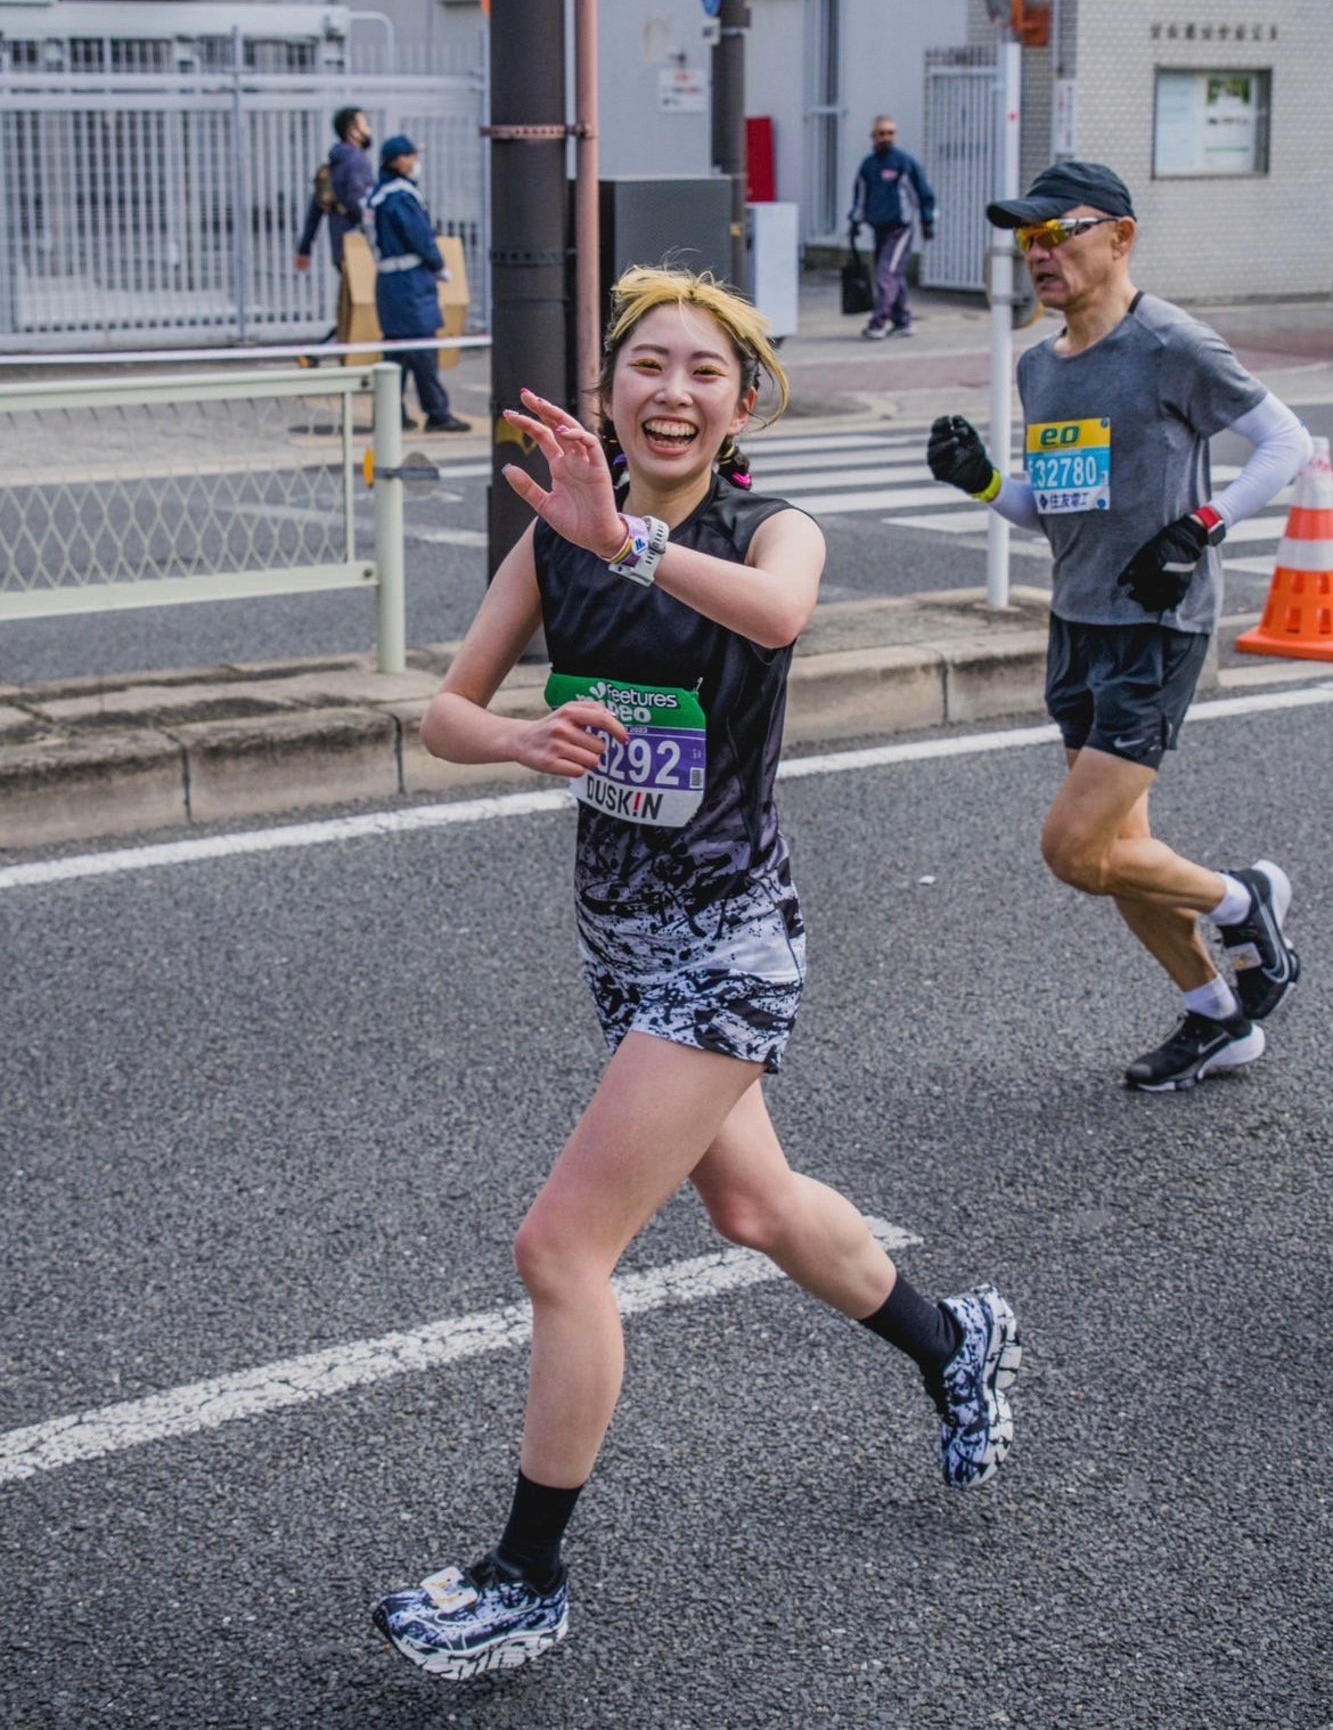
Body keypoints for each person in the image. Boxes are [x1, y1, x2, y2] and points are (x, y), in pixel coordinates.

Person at [371, 266, 1021, 1682]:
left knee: (560, 1251)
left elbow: (778, 617)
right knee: (752, 1204)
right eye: (645, 366)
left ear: (742, 405)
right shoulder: (550, 547)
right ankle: (949, 1338)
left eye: (704, 372)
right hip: (618, 940)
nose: (671, 391)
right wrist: (524, 742)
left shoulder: (767, 528)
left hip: (730, 940)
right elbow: (442, 714)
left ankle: (527, 1577)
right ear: (607, 393)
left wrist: (636, 545)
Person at [927, 161, 1313, 1092]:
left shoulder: (1169, 343)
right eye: (1028, 239)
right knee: (1118, 857)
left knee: (1074, 849)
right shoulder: (1036, 365)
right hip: (1076, 624)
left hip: (1155, 623)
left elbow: (1288, 443)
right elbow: (1051, 506)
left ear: (1120, 238)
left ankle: (1241, 899)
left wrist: (1200, 527)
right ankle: (1218, 1015)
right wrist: (979, 480)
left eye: (1058, 233)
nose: (1039, 254)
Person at [364, 134, 470, 433]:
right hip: (411, 284)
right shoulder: (401, 196)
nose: (416, 162)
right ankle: (437, 413)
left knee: (395, 352)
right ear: (398, 161)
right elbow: (420, 236)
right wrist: (438, 265)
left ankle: (389, 414)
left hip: (389, 283)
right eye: (412, 156)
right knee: (423, 350)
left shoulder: (380, 194)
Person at [848, 115, 937, 340]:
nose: (886, 137)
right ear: (873, 136)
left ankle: (877, 322)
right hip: (879, 229)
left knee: (885, 274)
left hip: (901, 229)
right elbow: (860, 197)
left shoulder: (905, 163)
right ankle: (903, 320)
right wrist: (854, 222)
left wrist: (928, 221)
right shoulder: (868, 166)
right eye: (881, 133)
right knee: (894, 276)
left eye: (890, 133)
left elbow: (924, 194)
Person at [294, 105, 375, 278]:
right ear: (353, 132)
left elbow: (315, 209)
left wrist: (305, 248)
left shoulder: (334, 165)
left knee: (350, 300)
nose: (370, 129)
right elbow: (361, 203)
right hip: (361, 245)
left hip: (340, 245)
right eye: (366, 124)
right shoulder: (357, 162)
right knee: (367, 301)